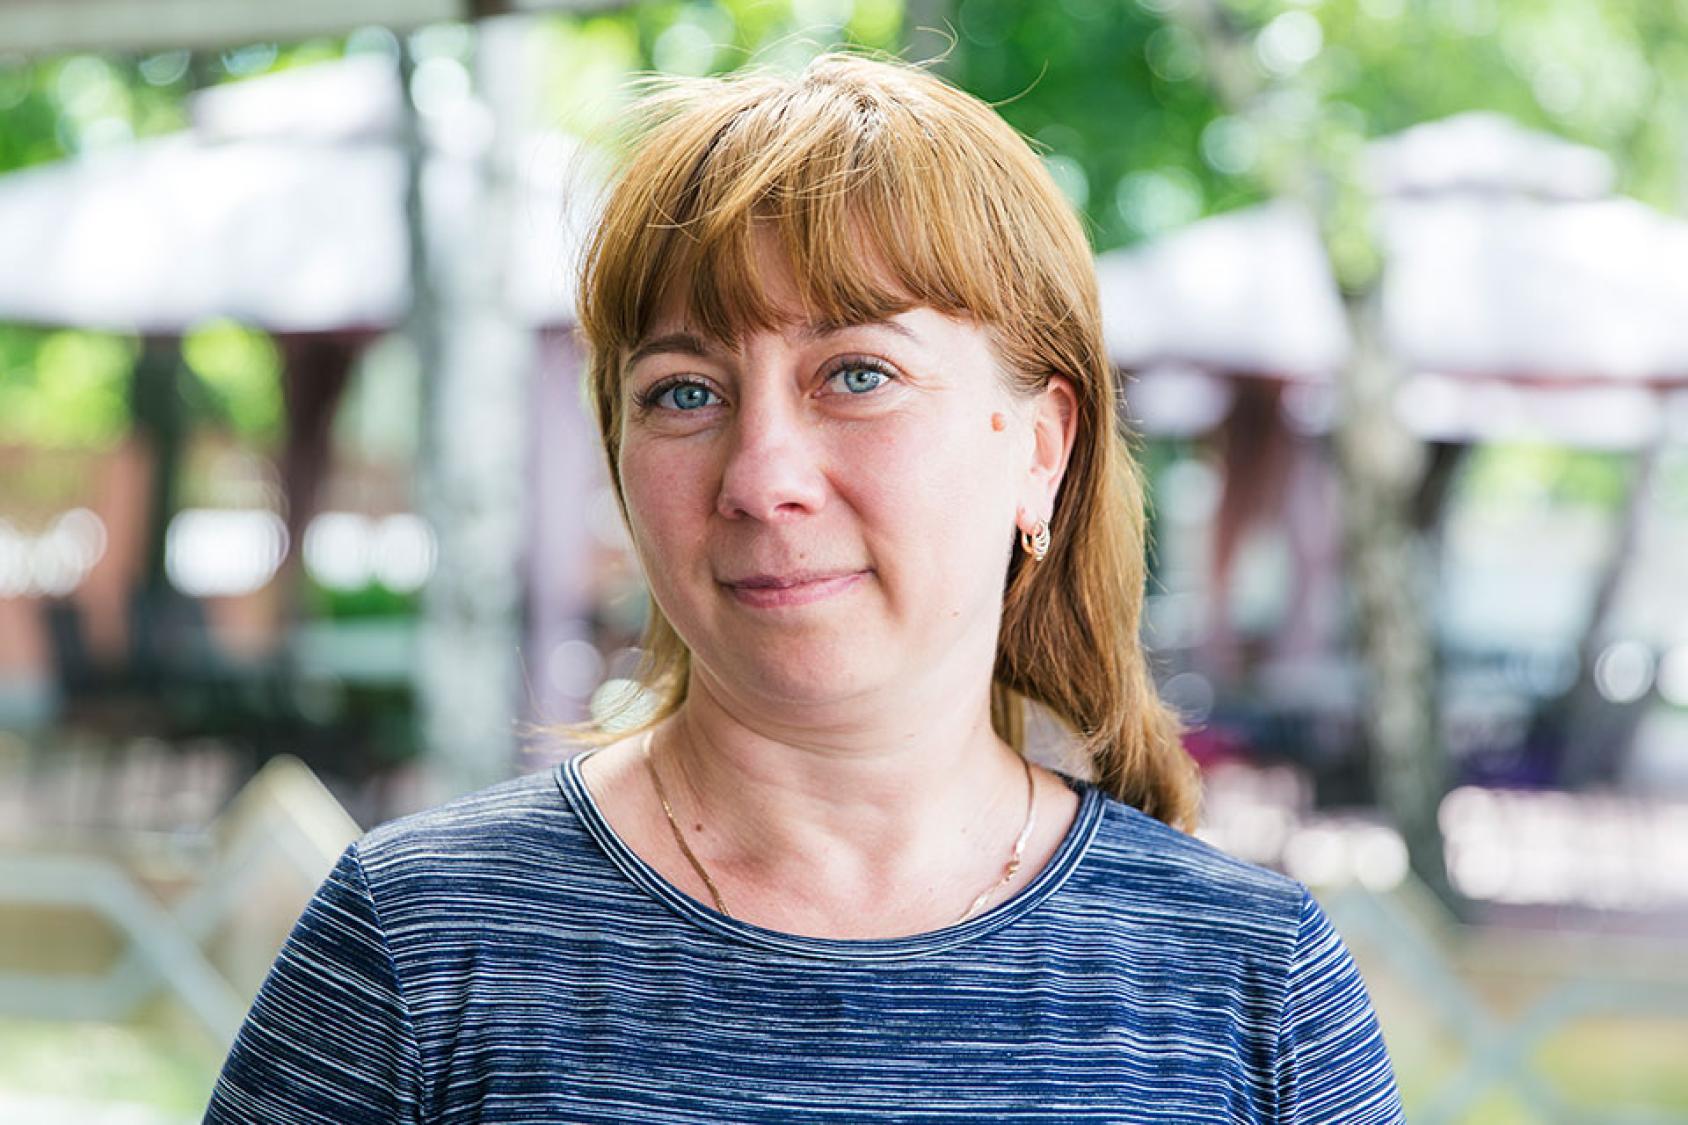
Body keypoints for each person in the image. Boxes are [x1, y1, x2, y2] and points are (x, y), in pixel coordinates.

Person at [204, 51, 1404, 1124]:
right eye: (682, 391)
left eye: (857, 374)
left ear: (1038, 449)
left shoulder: (1252, 984)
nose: (761, 476)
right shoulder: (420, 945)